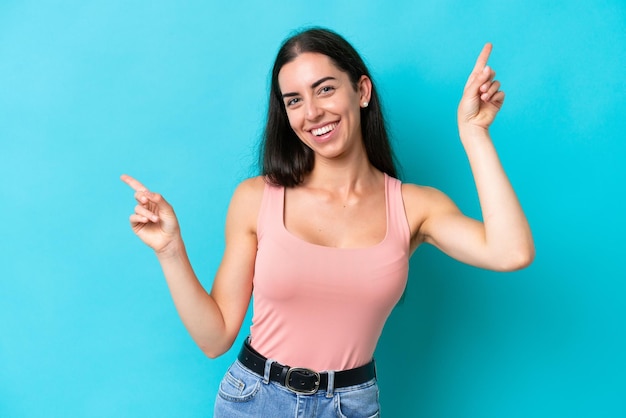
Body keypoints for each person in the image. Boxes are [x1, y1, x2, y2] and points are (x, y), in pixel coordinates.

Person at [121, 27, 534, 417]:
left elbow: (511, 252)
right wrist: (170, 250)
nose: (313, 112)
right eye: (294, 100)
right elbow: (215, 339)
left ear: (362, 91)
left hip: (349, 406)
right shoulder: (257, 198)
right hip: (254, 401)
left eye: (325, 89)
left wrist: (475, 133)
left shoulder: (414, 207)